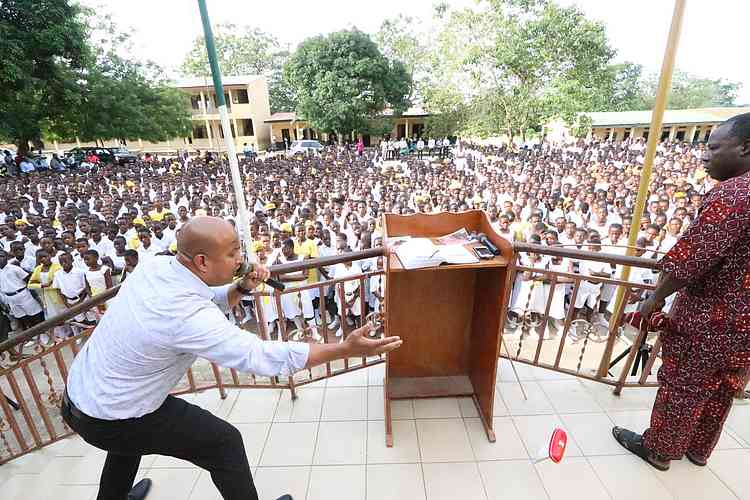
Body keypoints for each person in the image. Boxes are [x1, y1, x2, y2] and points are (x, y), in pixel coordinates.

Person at [61, 216, 401, 500]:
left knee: (127, 442)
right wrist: (343, 349)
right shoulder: (185, 315)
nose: (241, 259)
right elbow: (259, 355)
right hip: (111, 415)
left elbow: (205, 300)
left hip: (83, 396)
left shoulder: (157, 267)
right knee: (224, 443)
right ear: (202, 262)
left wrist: (241, 287)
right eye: (233, 252)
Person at [612, 113, 750, 471]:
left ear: (745, 148)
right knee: (724, 387)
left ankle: (660, 450)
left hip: (712, 321)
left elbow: (691, 259)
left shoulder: (733, 195)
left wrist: (654, 297)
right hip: (745, 329)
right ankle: (698, 449)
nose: (705, 156)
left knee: (683, 385)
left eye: (714, 148)